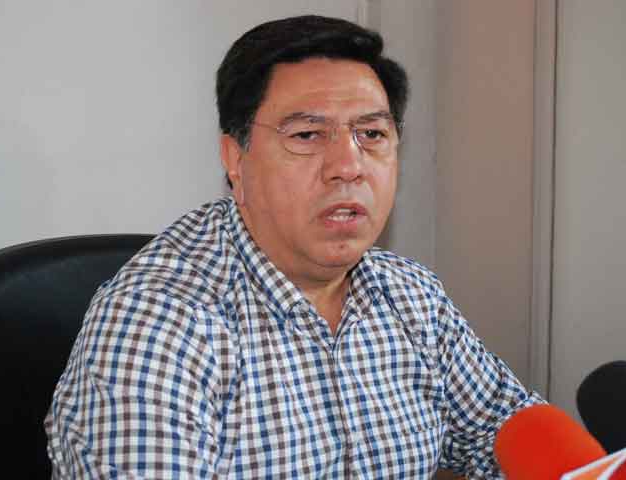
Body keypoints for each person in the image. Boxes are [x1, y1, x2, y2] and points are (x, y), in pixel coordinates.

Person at [45, 15, 542, 479]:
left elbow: (505, 430)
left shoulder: (411, 295)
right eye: (308, 134)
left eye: (372, 133)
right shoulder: (159, 322)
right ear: (235, 159)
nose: (348, 166)